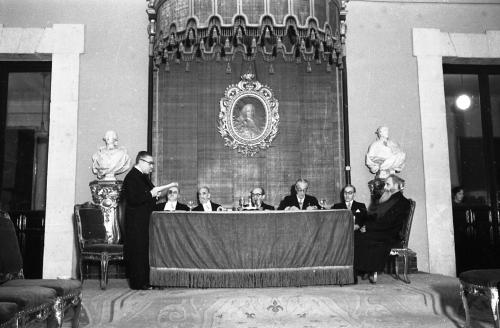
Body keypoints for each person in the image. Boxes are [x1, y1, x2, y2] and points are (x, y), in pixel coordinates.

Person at [121, 151, 177, 290]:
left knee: (144, 251)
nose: (152, 166)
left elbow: (145, 196)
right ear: (140, 161)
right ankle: (138, 283)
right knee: (138, 251)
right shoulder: (132, 177)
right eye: (150, 163)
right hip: (136, 223)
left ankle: (145, 281)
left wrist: (153, 195)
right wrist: (150, 194)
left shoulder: (143, 177)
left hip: (144, 221)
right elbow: (134, 200)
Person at [354, 174, 411, 284]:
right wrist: (365, 225)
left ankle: (361, 270)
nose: (385, 187)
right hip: (383, 230)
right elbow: (376, 216)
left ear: (396, 185)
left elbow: (390, 223)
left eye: (388, 184)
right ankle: (361, 269)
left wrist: (369, 228)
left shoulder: (402, 202)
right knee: (357, 235)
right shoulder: (390, 199)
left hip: (390, 234)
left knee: (362, 237)